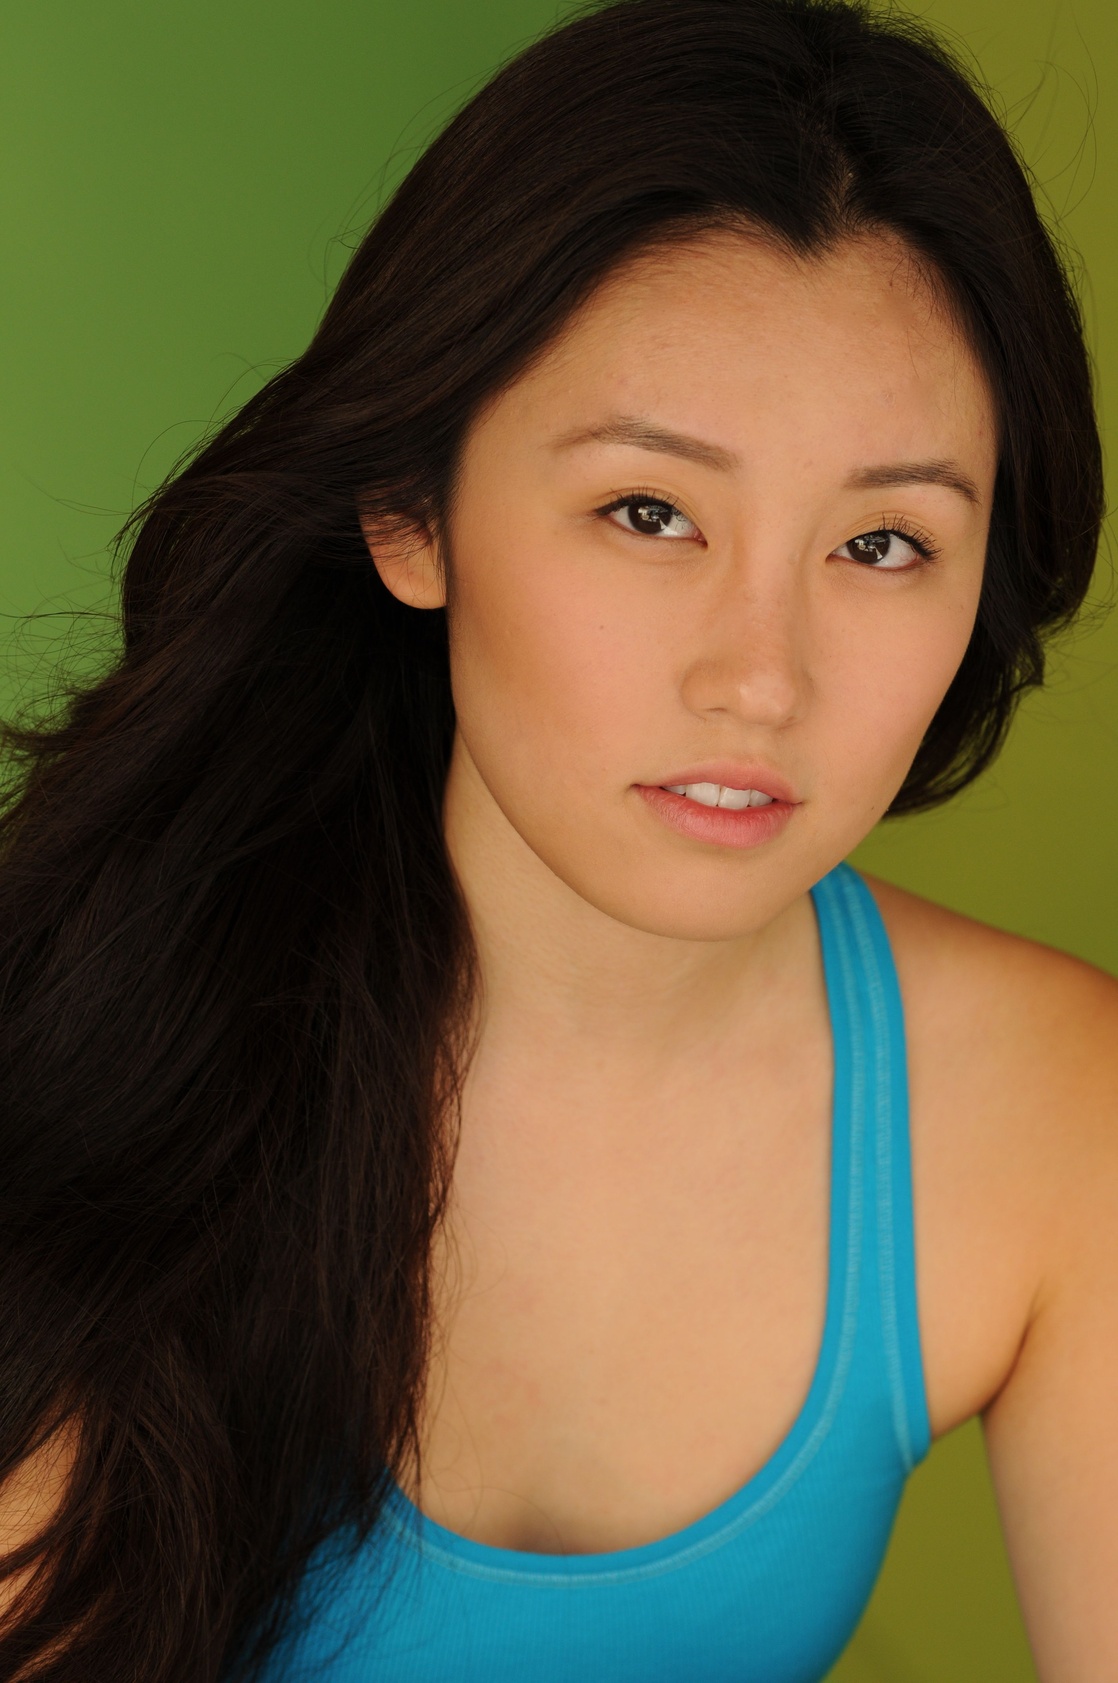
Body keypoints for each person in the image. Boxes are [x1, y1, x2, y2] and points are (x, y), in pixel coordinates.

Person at [0, 0, 1114, 1677]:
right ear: (413, 511)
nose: (760, 676)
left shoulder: (1049, 1109)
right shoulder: (79, 1051)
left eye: (882, 543)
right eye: (647, 513)